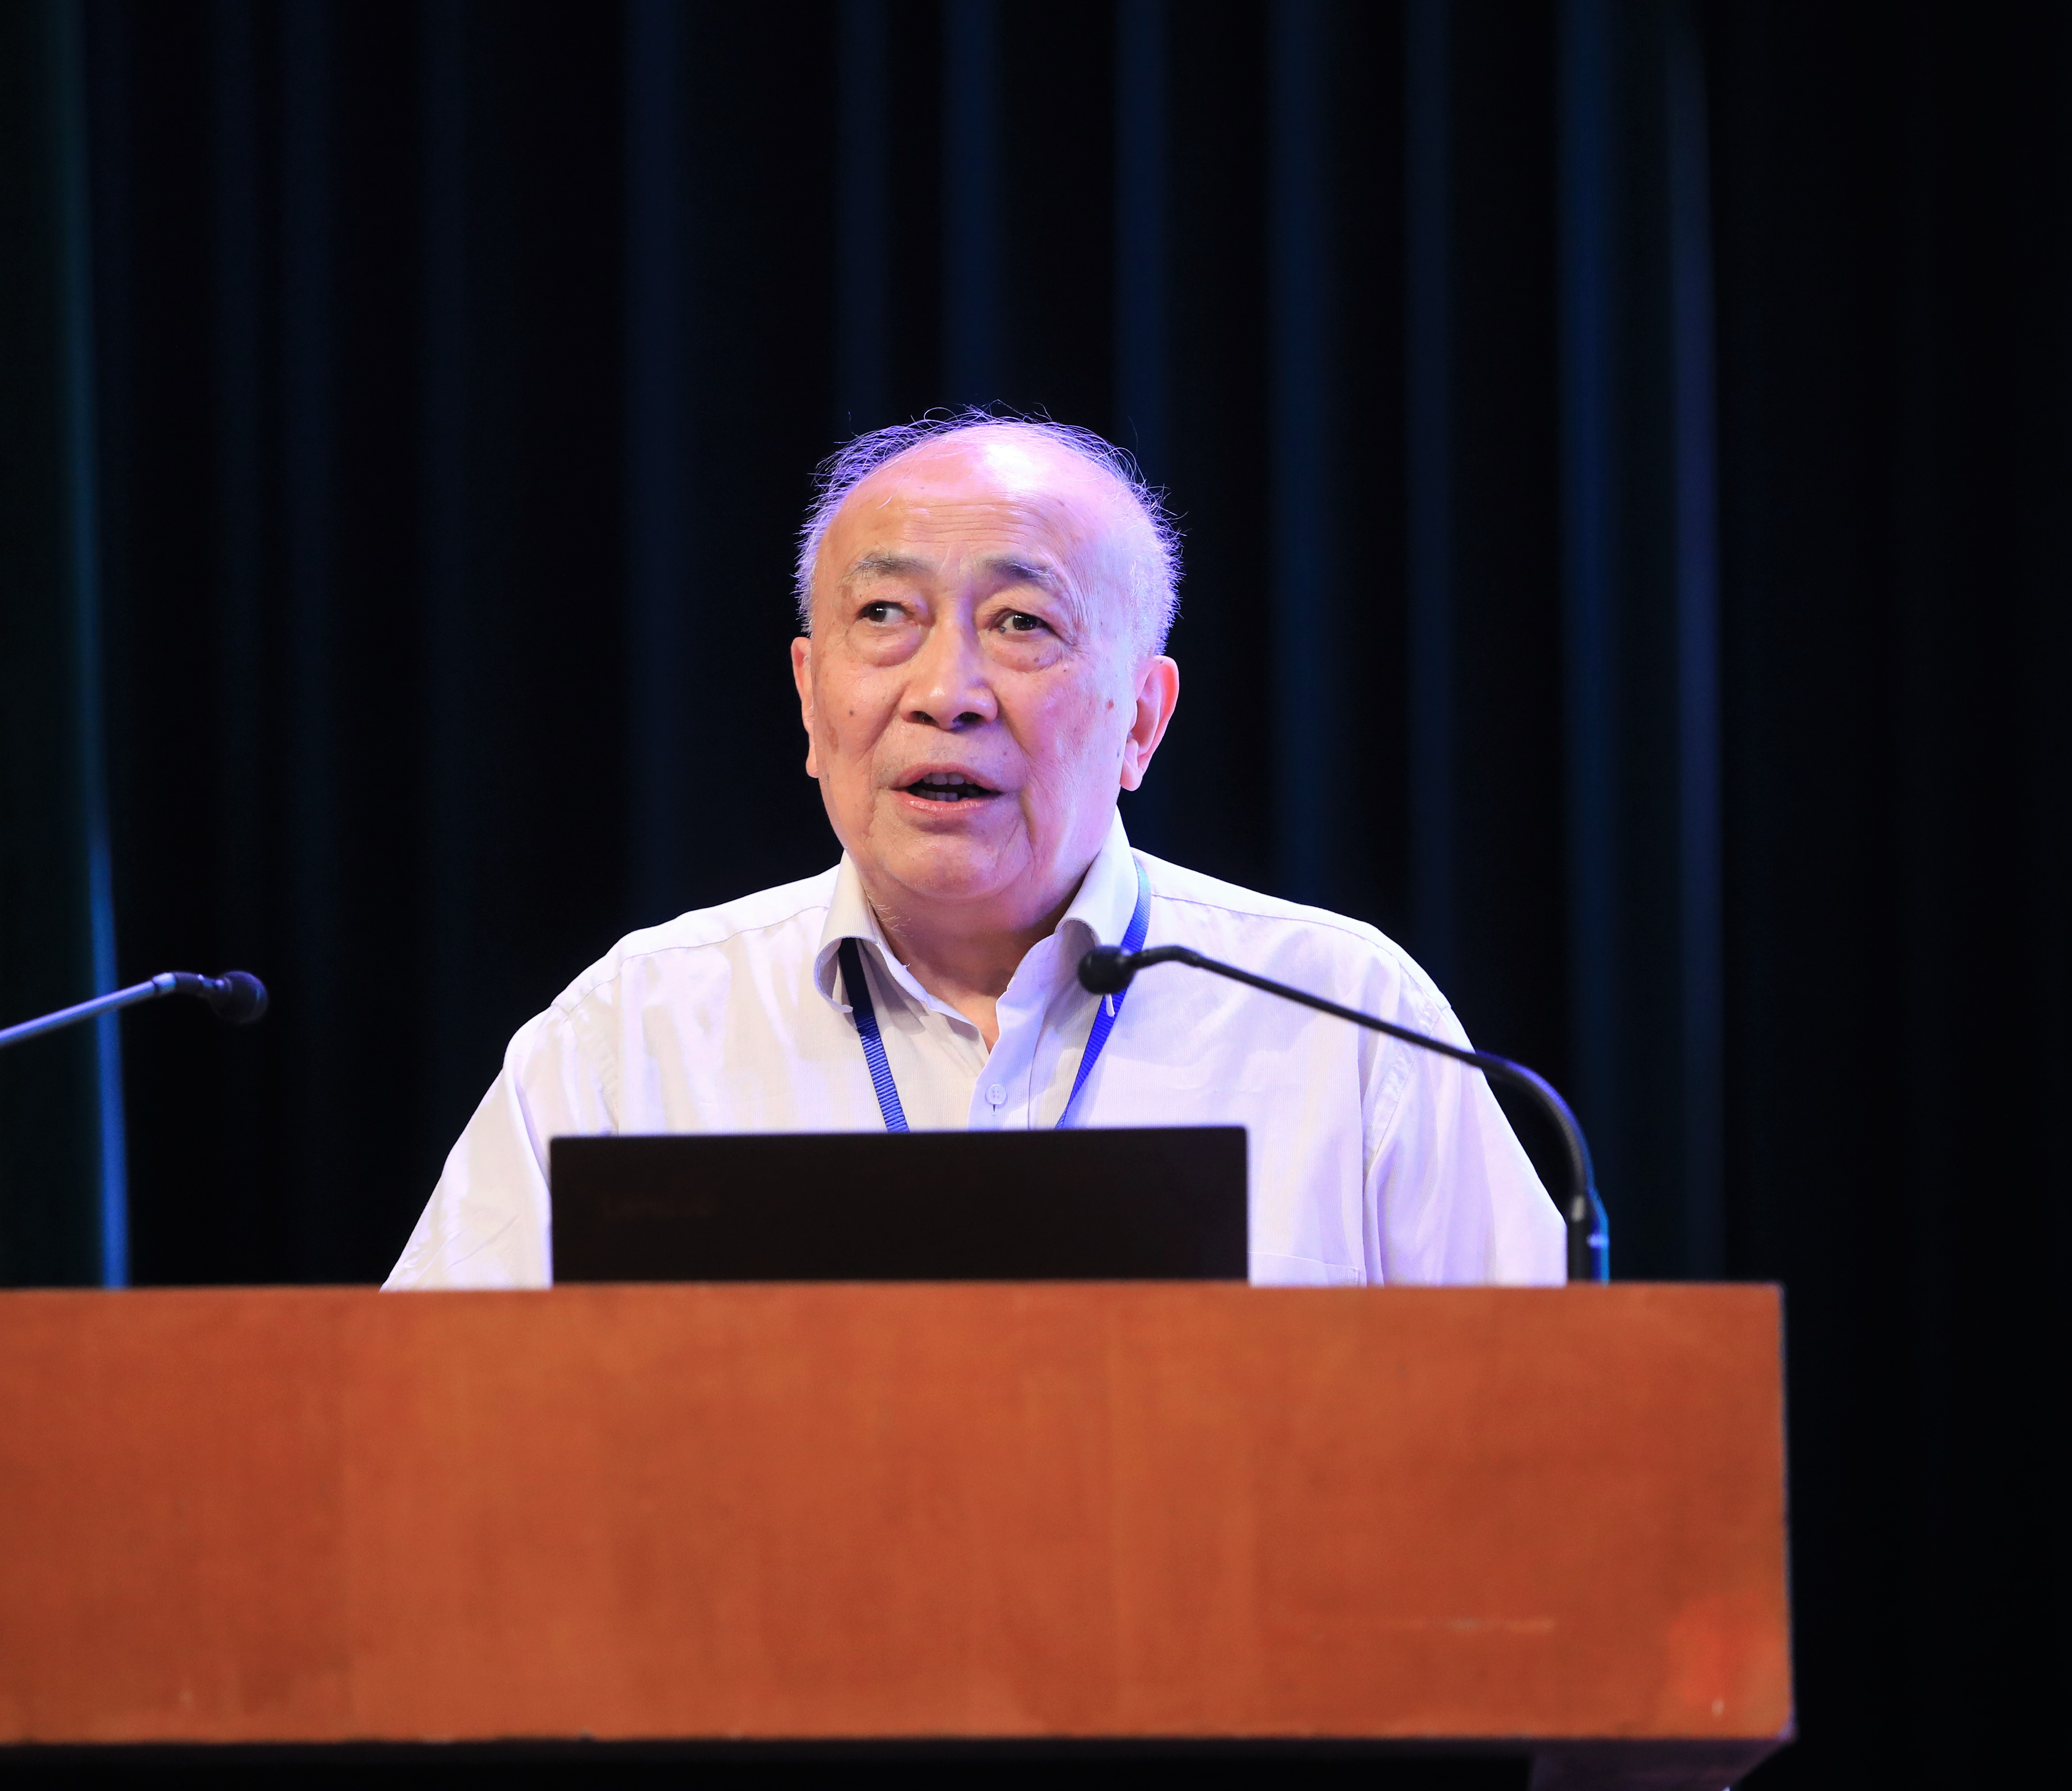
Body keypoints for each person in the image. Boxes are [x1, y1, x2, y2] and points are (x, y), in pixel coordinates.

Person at [387, 416, 1564, 1289]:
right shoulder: (635, 1033)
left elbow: (1544, 1436)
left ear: (1142, 720)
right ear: (810, 698)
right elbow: (427, 1427)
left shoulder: (1345, 1023)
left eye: (1022, 624)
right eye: (884, 618)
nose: (946, 691)